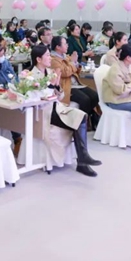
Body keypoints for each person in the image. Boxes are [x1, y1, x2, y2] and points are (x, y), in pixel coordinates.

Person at [30, 45, 101, 176]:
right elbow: (35, 98)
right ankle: (82, 160)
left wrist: (57, 86)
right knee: (77, 119)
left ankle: (83, 158)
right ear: (38, 59)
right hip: (43, 112)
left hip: (56, 107)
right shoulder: (30, 76)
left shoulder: (50, 72)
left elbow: (60, 96)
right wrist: (51, 85)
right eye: (47, 55)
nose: (50, 58)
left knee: (82, 116)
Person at [51, 36, 99, 128]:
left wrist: (75, 63)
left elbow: (75, 70)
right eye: (65, 44)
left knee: (95, 96)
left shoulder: (66, 56)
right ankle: (81, 124)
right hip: (66, 86)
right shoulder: (53, 59)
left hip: (76, 83)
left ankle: (90, 118)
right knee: (85, 99)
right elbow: (65, 72)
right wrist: (73, 63)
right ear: (58, 47)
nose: (67, 45)